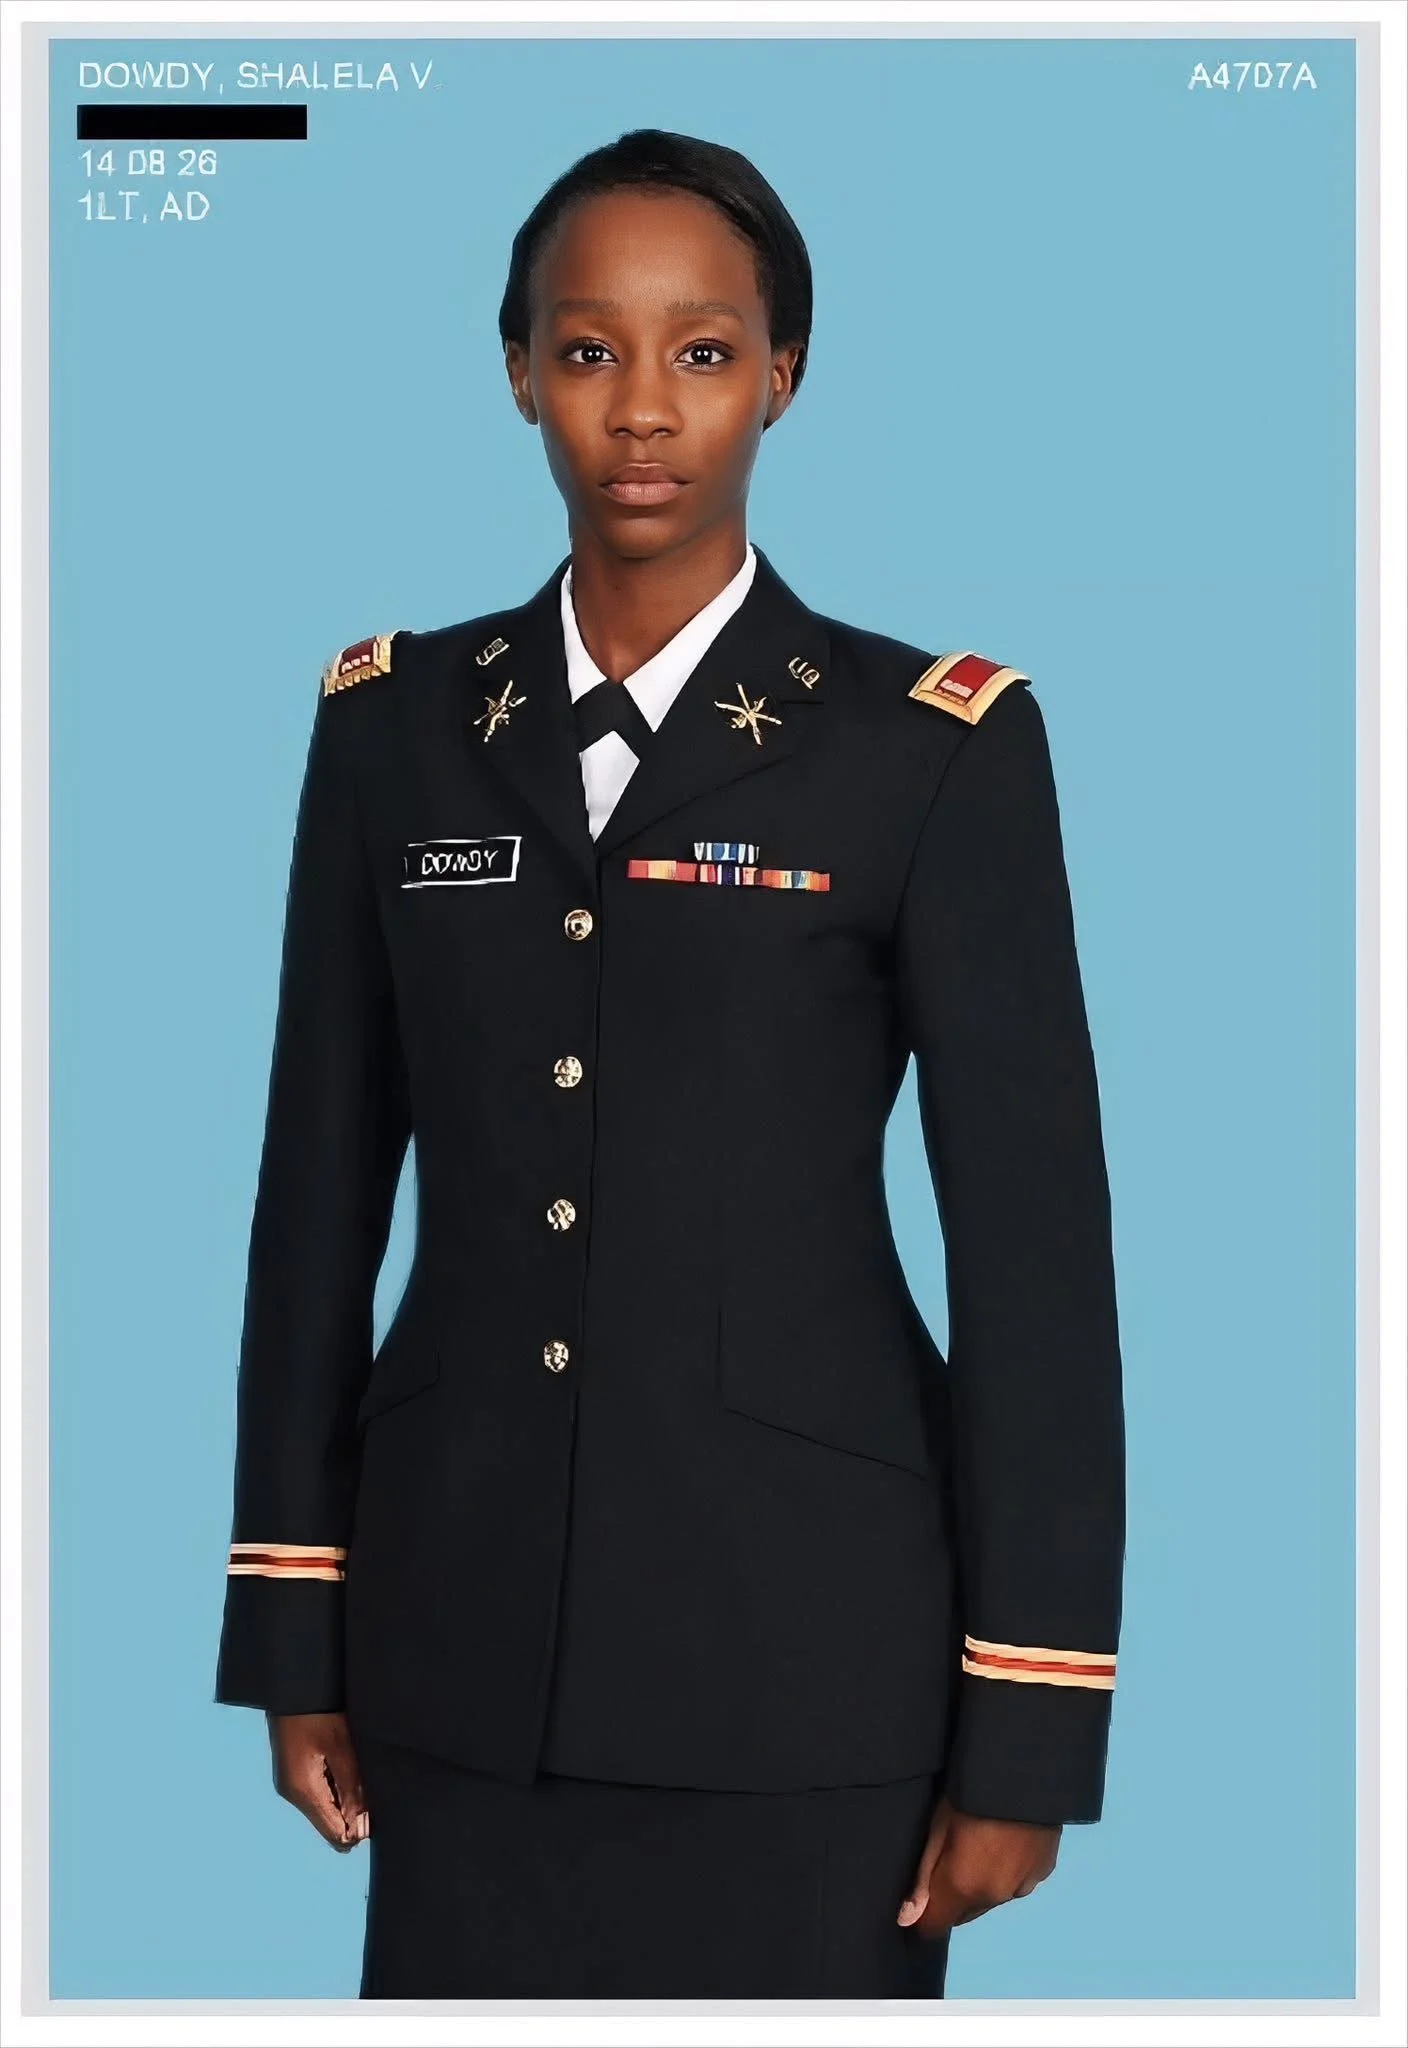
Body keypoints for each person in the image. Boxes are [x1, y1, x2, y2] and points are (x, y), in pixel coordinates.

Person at [214, 127, 1126, 2000]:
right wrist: (295, 1622)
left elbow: (1037, 1262)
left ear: (783, 373)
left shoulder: (929, 748)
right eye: (587, 349)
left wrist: (1030, 1725)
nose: (643, 408)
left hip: (814, 1670)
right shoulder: (394, 731)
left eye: (703, 351)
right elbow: (314, 1201)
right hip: (456, 1650)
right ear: (518, 373)